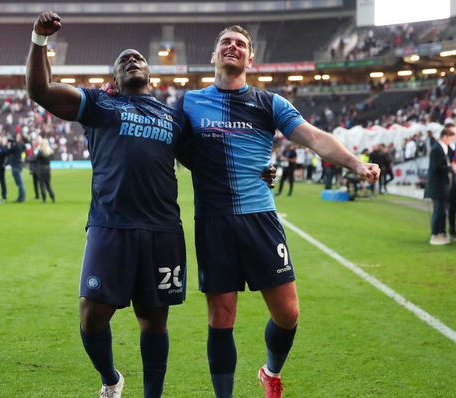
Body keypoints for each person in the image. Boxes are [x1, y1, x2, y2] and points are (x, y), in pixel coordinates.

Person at [27, 12, 276, 398]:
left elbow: (211, 158)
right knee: (92, 317)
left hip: (162, 232)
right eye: (124, 60)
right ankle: (111, 379)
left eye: (138, 59)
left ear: (151, 77)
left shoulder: (173, 118)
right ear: (113, 80)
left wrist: (261, 169)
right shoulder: (97, 105)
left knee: (154, 323)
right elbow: (41, 90)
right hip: (110, 227)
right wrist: (40, 41)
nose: (132, 60)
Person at [179, 25, 379, 398]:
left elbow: (316, 137)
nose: (232, 47)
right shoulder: (189, 103)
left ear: (250, 59)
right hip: (214, 221)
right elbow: (168, 141)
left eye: (240, 44)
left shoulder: (269, 103)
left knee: (288, 313)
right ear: (214, 55)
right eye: (225, 42)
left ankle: (270, 371)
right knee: (221, 317)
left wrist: (357, 164)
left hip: (260, 219)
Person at [424, 125, 456, 245]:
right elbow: (435, 168)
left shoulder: (446, 148)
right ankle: (435, 234)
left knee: (443, 211)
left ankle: (442, 233)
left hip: (444, 186)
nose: (453, 141)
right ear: (445, 136)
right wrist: (451, 168)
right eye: (451, 138)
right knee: (438, 210)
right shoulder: (436, 149)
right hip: (437, 186)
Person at [35, 137, 56, 204]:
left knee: (42, 185)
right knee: (48, 184)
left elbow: (36, 159)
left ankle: (44, 199)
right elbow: (52, 158)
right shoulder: (50, 151)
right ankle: (53, 197)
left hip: (41, 169)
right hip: (48, 169)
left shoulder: (40, 152)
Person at [6, 134, 27, 202]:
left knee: (19, 183)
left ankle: (21, 198)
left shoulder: (17, 145)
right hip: (19, 164)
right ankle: (21, 197)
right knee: (20, 182)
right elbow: (24, 153)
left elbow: (9, 150)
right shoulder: (22, 145)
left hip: (15, 164)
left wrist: (9, 145)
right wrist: (22, 158)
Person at [0, 134, 9, 203]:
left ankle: (4, 196)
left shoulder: (2, 148)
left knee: (2, 182)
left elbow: (6, 154)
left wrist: (5, 164)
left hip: (0, 167)